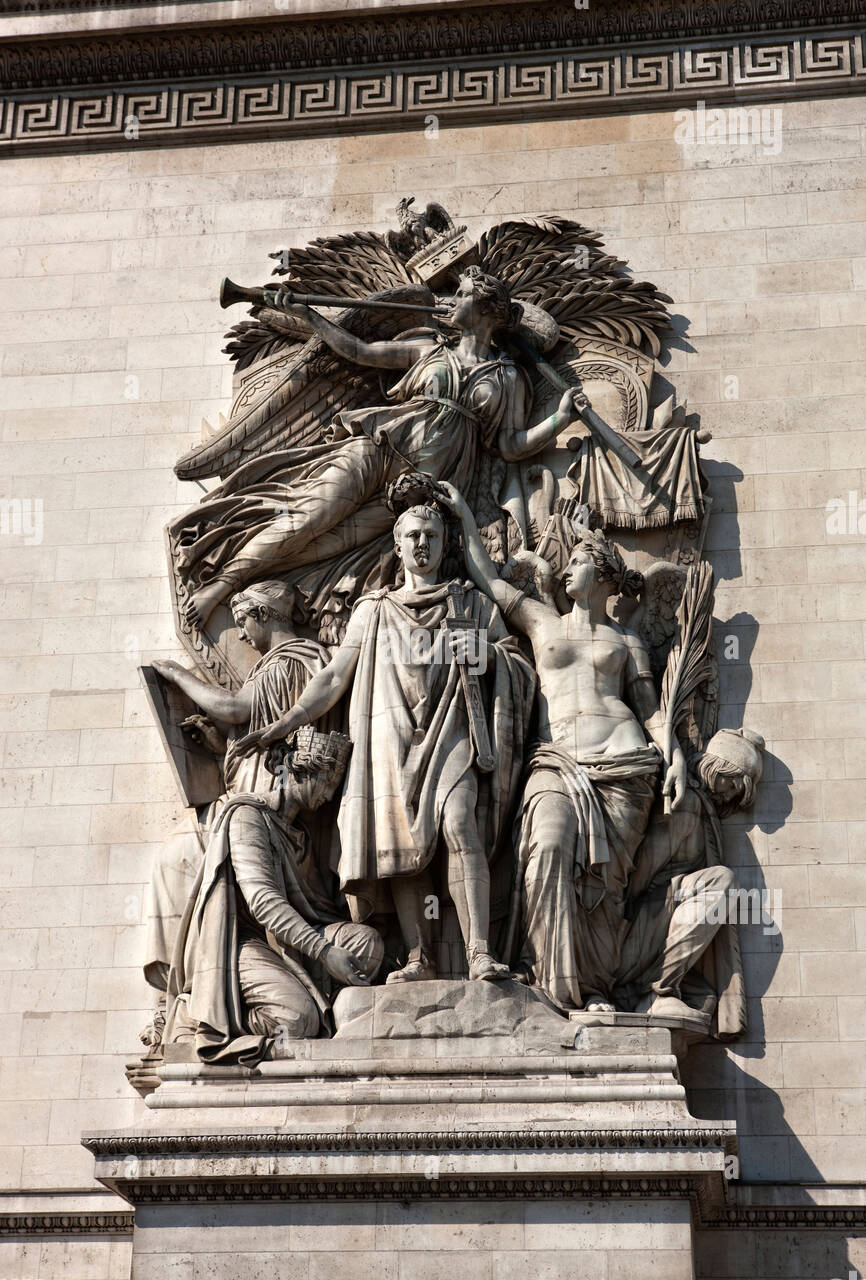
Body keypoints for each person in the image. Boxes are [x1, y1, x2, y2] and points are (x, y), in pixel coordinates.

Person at [169, 267, 588, 627]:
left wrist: (560, 419)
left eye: (462, 294)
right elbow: (359, 350)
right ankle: (219, 585)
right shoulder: (428, 348)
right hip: (379, 448)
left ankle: (251, 584)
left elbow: (510, 445)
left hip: (420, 489)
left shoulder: (509, 377)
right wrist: (310, 316)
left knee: (329, 545)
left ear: (485, 308)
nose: (452, 300)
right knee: (308, 519)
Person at [235, 500, 535, 983]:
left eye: (432, 536)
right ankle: (420, 955)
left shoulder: (471, 603)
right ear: (397, 545)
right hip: (390, 739)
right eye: (413, 535)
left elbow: (516, 660)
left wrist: (485, 654)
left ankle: (479, 950)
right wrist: (283, 723)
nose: (422, 544)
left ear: (445, 544)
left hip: (451, 729)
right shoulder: (373, 610)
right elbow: (335, 676)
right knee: (401, 848)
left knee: (460, 824)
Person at [440, 479, 688, 1014]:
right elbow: (488, 578)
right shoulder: (540, 619)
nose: (565, 570)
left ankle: (593, 988)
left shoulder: (629, 641)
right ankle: (552, 986)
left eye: (576, 562)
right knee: (547, 849)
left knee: (603, 884)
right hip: (555, 761)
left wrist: (676, 755)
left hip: (625, 767)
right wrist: (462, 511)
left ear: (600, 574)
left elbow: (650, 710)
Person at [141, 580, 329, 1040]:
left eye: (243, 620)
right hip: (251, 807)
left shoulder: (289, 662)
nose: (241, 633)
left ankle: (181, 1003)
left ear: (265, 615)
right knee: (175, 863)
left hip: (262, 816)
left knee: (176, 862)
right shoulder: (281, 665)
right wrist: (219, 745)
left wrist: (176, 674)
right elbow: (255, 734)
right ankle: (178, 999)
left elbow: (234, 706)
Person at [165, 728, 383, 1064]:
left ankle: (318, 999)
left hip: (287, 943)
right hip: (242, 943)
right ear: (302, 771)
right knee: (298, 1020)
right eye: (327, 782)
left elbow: (315, 909)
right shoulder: (248, 817)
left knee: (367, 944)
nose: (329, 794)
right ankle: (203, 1014)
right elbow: (263, 902)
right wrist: (326, 952)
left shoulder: (301, 835)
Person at [617, 727, 765, 1037]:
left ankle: (653, 991)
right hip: (636, 922)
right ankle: (659, 988)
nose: (729, 795)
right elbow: (643, 869)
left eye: (736, 793)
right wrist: (620, 919)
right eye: (730, 784)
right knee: (722, 881)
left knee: (705, 998)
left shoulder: (702, 808)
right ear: (716, 767)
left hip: (656, 914)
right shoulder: (688, 805)